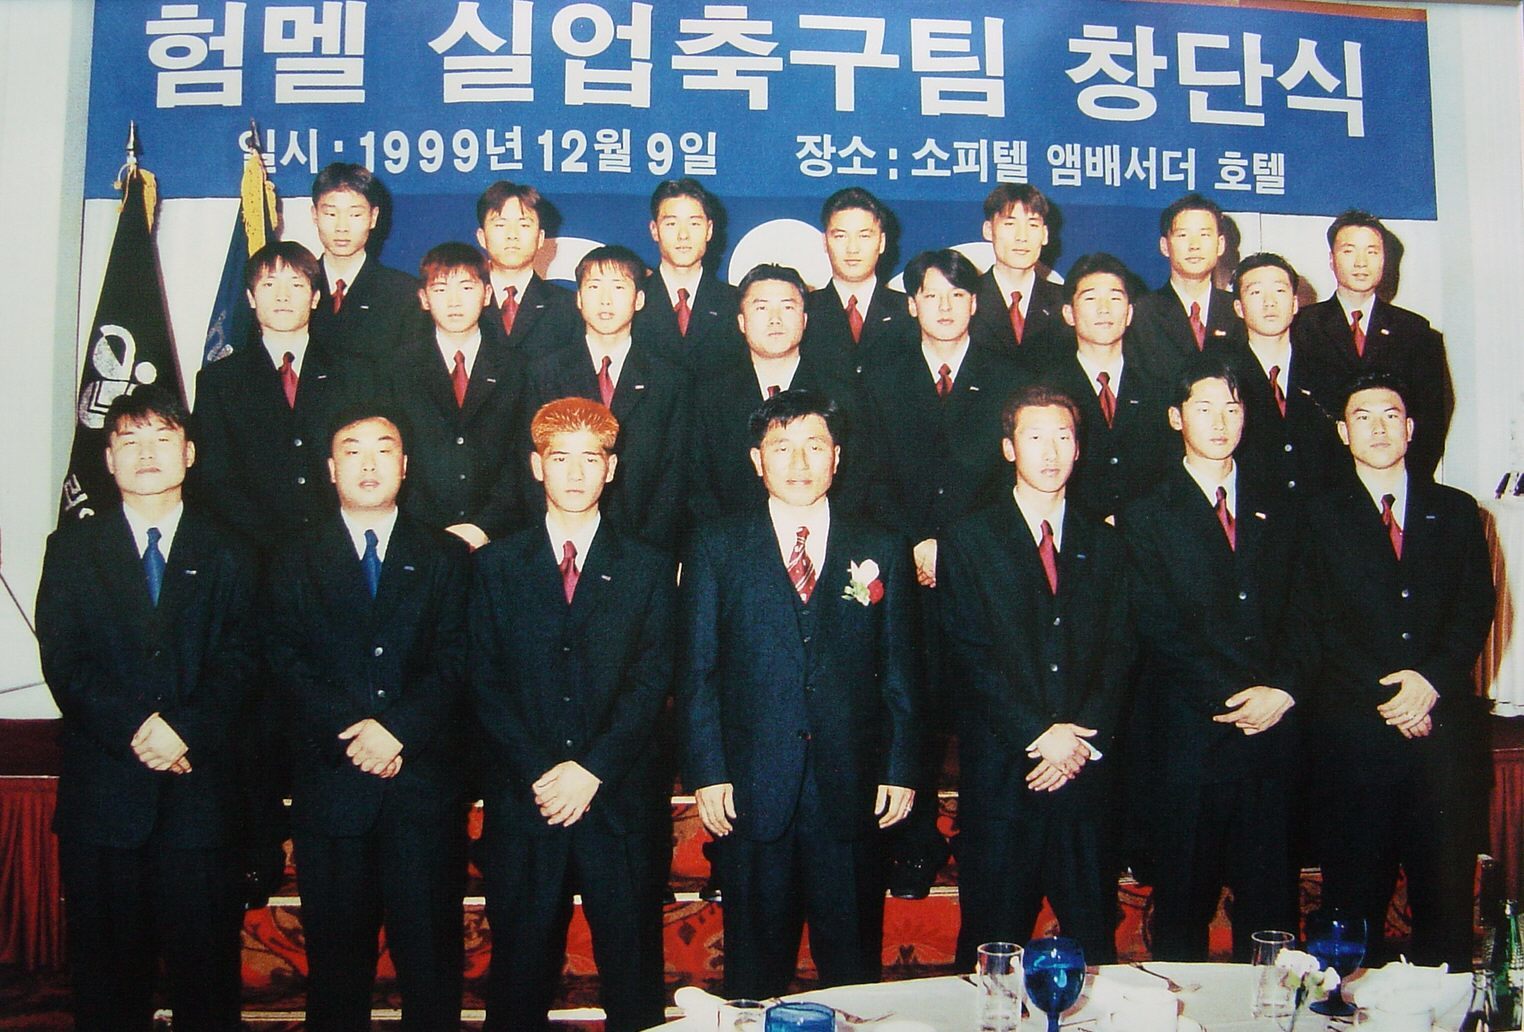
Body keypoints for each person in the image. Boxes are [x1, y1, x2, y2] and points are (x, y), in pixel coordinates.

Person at [677, 389, 920, 999]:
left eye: (814, 446)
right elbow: (698, 671)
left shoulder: (881, 546)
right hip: (753, 787)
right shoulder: (716, 545)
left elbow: (901, 671)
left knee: (853, 972)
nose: (799, 462)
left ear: (837, 457)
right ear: (756, 460)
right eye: (781, 447)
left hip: (851, 784)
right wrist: (708, 772)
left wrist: (899, 768)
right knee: (754, 975)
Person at [37, 387, 257, 1032]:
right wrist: (138, 730)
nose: (147, 453)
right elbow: (66, 662)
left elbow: (246, 659)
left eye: (162, 438)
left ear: (189, 453)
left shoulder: (233, 550)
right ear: (108, 460)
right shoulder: (72, 549)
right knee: (107, 986)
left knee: (207, 983)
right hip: (105, 799)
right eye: (129, 442)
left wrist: (184, 731)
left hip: (201, 799)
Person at [471, 398, 674, 1032]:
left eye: (592, 458)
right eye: (561, 458)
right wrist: (541, 770)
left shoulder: (647, 566)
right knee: (518, 975)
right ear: (537, 466)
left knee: (633, 978)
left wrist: (591, 769)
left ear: (612, 468)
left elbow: (651, 682)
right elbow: (484, 681)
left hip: (618, 799)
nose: (577, 473)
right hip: (525, 798)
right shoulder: (495, 566)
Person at [267, 407, 470, 1031]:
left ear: (405, 466)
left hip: (422, 788)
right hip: (333, 786)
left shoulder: (446, 555)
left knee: (431, 962)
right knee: (336, 967)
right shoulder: (291, 557)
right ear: (330, 470)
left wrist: (398, 729)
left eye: (384, 449)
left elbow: (459, 657)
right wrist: (356, 736)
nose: (369, 463)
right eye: (351, 451)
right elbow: (284, 658)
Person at [1291, 372, 1493, 967]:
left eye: (1389, 416)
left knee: (1446, 914)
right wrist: (1394, 700)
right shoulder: (1314, 517)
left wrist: (1428, 684)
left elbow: (1474, 609)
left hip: (1443, 741)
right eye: (1362, 417)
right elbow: (1311, 624)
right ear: (1342, 432)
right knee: (1352, 920)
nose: (1377, 428)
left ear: (1410, 428)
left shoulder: (1456, 512)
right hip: (1354, 745)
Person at [939, 384, 1131, 967]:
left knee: (1094, 945)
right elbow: (967, 653)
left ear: (1079, 448)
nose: (1050, 451)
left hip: (1085, 776)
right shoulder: (969, 539)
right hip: (1004, 775)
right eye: (1035, 436)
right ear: (1008, 448)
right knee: (991, 948)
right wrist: (1037, 732)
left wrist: (1078, 740)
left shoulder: (1107, 543)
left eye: (1063, 437)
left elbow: (1121, 650)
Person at [1118, 358, 1300, 962]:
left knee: (1271, 912)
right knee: (1183, 912)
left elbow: (1310, 610)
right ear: (1176, 418)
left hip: (1273, 733)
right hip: (1189, 739)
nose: (1220, 422)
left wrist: (1282, 689)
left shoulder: (1284, 504)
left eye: (1232, 407)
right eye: (1204, 408)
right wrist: (1235, 696)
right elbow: (1156, 625)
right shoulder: (1145, 513)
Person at [858, 248, 1024, 898]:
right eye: (932, 295)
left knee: (987, 708)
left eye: (958, 296)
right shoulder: (881, 375)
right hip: (906, 572)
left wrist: (953, 547)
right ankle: (915, 843)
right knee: (913, 711)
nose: (946, 307)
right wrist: (916, 545)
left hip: (984, 571)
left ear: (975, 304)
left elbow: (1013, 478)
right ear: (912, 305)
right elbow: (867, 476)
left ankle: (988, 839)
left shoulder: (1007, 377)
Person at [191, 240, 368, 544]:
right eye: (269, 284)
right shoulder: (219, 381)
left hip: (340, 543)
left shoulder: (354, 373)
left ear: (315, 297)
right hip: (254, 547)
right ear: (250, 297)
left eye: (296, 285)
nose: (282, 296)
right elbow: (215, 478)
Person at [525, 244, 690, 550]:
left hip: (644, 546)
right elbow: (529, 467)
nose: (605, 299)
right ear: (578, 298)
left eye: (618, 287)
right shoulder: (544, 374)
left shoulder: (669, 380)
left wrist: (650, 551)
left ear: (639, 300)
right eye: (594, 287)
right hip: (560, 542)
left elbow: (675, 476)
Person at [382, 242, 528, 550]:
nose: (454, 301)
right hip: (419, 535)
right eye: (440, 289)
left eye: (466, 287)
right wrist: (429, 530)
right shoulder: (397, 367)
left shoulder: (516, 367)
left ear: (487, 294)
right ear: (424, 299)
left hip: (499, 536)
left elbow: (522, 458)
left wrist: (483, 527)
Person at [689, 263, 860, 526]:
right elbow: (698, 487)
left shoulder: (842, 394)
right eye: (761, 308)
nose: (775, 319)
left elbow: (856, 481)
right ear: (741, 322)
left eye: (787, 307)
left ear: (804, 320)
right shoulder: (708, 396)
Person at [1291, 211, 1452, 479]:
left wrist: (1409, 480)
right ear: (1331, 259)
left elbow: (1431, 418)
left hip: (1393, 479)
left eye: (1372, 251)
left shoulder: (1415, 331)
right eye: (1349, 251)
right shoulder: (1301, 327)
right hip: (1318, 480)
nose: (1361, 262)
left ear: (1385, 259)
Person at [1040, 253, 1174, 522]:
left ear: (1130, 313)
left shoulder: (1160, 386)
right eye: (1090, 299)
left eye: (1115, 298)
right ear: (1069, 313)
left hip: (1149, 532)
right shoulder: (1046, 391)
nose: (1104, 309)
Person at [1216, 253, 1346, 503]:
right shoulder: (1223, 373)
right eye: (1256, 293)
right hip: (1251, 510)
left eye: (1279, 291)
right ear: (1239, 308)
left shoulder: (1327, 369)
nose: (1269, 302)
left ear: (1295, 303)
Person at [306, 162, 426, 364]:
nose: (342, 227)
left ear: (373, 217)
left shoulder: (403, 294)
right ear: (314, 215)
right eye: (331, 214)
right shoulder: (297, 288)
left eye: (355, 214)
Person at [1130, 193, 1245, 381]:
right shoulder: (1141, 313)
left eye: (1204, 235)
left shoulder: (1239, 310)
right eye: (1183, 235)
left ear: (1221, 244)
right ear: (1165, 246)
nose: (1194, 246)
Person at [802, 187, 917, 375]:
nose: (852, 248)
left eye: (864, 236)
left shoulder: (909, 311)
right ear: (825, 242)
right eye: (840, 236)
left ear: (881, 242)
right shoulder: (805, 310)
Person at [633, 177, 740, 362]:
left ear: (709, 230)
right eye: (671, 224)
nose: (683, 235)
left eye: (694, 223)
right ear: (654, 230)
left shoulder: (735, 302)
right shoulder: (631, 300)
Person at [969, 183, 1068, 372]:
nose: (1022, 237)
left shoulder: (1065, 302)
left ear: (1045, 235)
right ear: (988, 230)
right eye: (1010, 224)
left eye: (1032, 225)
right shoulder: (965, 299)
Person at [475, 179, 581, 356]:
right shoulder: (460, 301)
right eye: (500, 225)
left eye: (524, 225)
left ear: (540, 238)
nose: (512, 235)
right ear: (481, 237)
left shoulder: (569, 307)